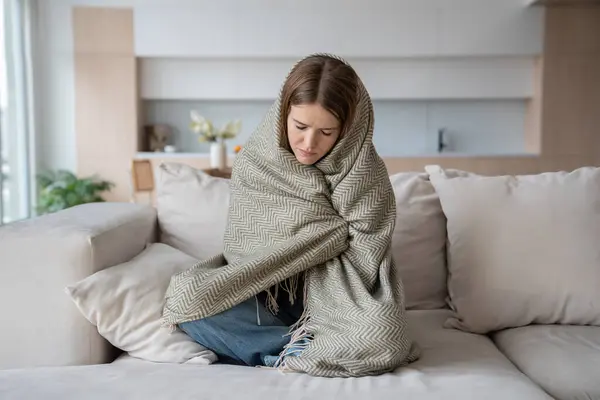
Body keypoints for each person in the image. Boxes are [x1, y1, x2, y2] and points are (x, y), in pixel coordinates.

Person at [177, 54, 360, 367]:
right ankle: (299, 348)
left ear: (345, 131)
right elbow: (245, 250)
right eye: (300, 126)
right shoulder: (255, 163)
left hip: (334, 295)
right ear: (282, 114)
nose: (309, 143)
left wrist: (328, 237)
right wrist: (322, 236)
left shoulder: (362, 171)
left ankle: (303, 345)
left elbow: (370, 251)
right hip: (265, 293)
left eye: (326, 132)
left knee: (378, 332)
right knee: (189, 304)